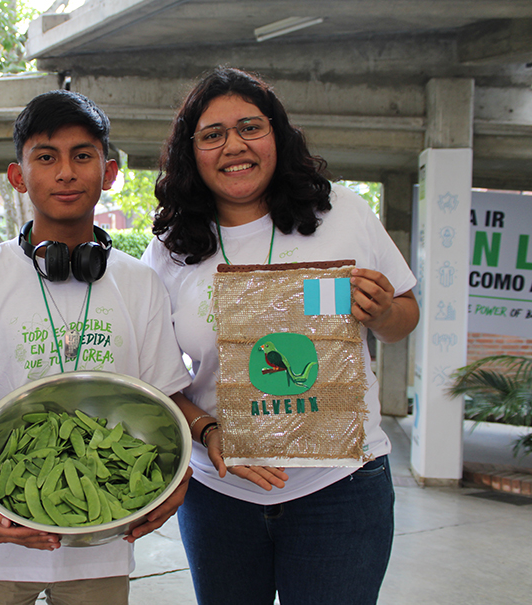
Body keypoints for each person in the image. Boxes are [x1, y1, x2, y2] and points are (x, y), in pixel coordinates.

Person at [142, 67, 420, 605]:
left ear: (278, 134)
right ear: (190, 153)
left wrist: (383, 311)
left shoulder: (342, 213)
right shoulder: (169, 249)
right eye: (212, 134)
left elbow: (405, 316)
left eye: (250, 126)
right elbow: (155, 376)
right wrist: (205, 430)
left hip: (341, 487)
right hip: (220, 493)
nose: (234, 145)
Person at [0, 90, 193, 605]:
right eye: (46, 157)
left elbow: (164, 401)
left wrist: (179, 478)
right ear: (17, 175)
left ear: (110, 172)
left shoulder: (140, 282)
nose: (66, 172)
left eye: (83, 155)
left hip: (103, 546)